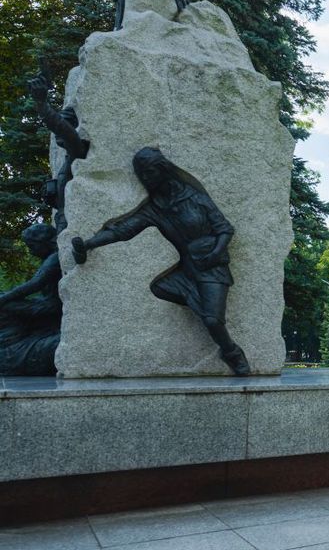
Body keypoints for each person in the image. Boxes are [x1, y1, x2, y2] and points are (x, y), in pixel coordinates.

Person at [71, 147, 250, 375]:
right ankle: (197, 299)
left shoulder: (193, 196)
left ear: (162, 169)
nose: (145, 179)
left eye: (148, 173)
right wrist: (88, 244)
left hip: (212, 267)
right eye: (141, 175)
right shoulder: (155, 208)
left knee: (213, 321)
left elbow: (224, 228)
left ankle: (232, 352)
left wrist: (215, 253)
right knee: (160, 287)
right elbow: (124, 230)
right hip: (187, 269)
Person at [0, 224, 63, 375]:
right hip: (46, 302)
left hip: (52, 306)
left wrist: (3, 299)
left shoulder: (55, 258)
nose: (31, 251)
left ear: (44, 242)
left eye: (33, 246)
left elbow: (35, 284)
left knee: (7, 306)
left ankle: (9, 342)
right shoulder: (50, 257)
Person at [29, 74, 89, 231]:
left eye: (61, 130)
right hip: (66, 226)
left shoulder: (78, 150)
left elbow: (62, 129)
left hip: (76, 226)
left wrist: (41, 104)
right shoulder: (69, 160)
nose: (57, 135)